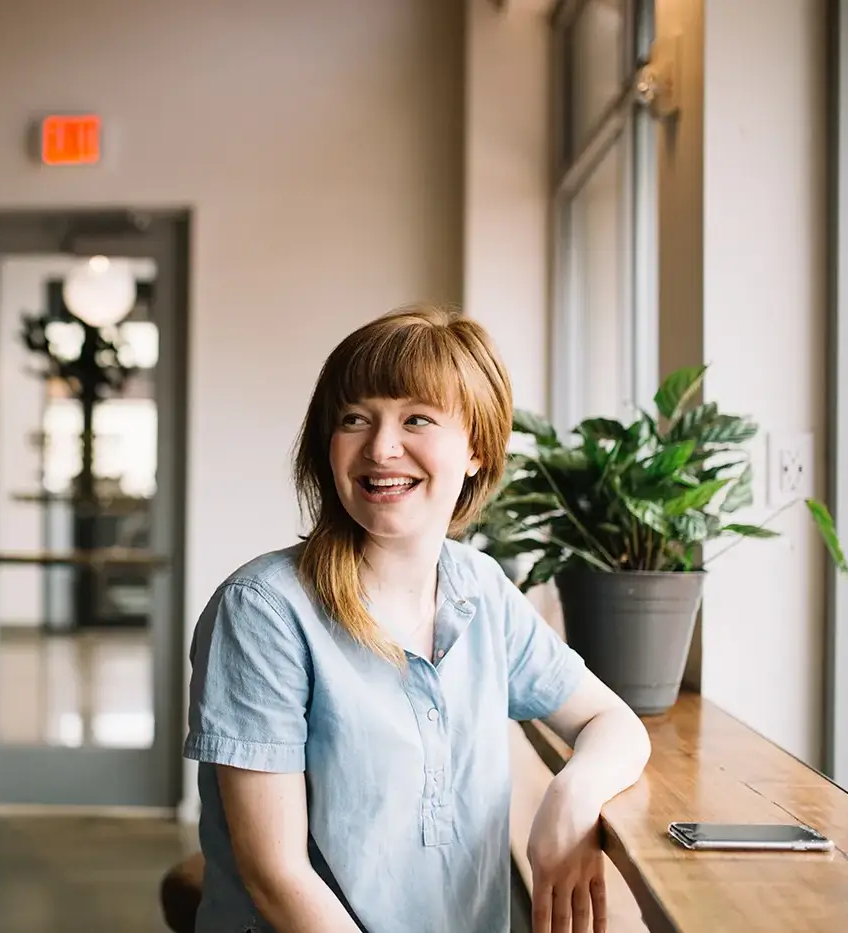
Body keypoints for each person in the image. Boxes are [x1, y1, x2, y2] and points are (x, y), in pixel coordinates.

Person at [183, 303, 651, 933]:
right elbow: (277, 879)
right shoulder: (263, 609)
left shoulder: (480, 587)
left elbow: (611, 721)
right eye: (355, 419)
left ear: (478, 450)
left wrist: (572, 795)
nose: (381, 448)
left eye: (416, 419)